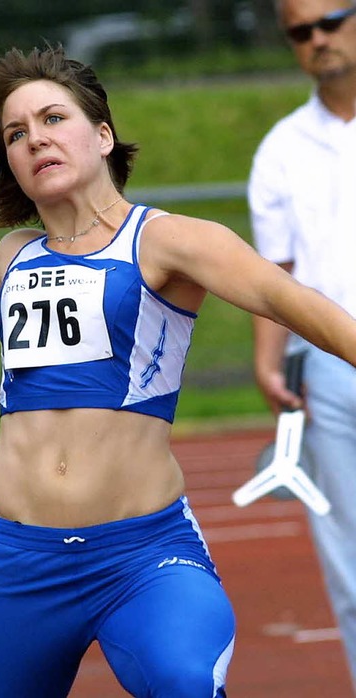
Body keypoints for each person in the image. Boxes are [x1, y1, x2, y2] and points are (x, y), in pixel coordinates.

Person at [0, 45, 356, 698]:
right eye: (16, 134)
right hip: (15, 565)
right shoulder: (15, 258)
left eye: (53, 119)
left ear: (104, 135)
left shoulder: (168, 242)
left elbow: (293, 302)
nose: (36, 140)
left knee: (182, 680)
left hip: (141, 557)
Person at [248, 0, 356, 690]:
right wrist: (267, 361)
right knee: (349, 557)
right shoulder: (280, 148)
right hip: (329, 372)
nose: (318, 38)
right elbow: (272, 274)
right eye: (300, 31)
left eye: (332, 20)